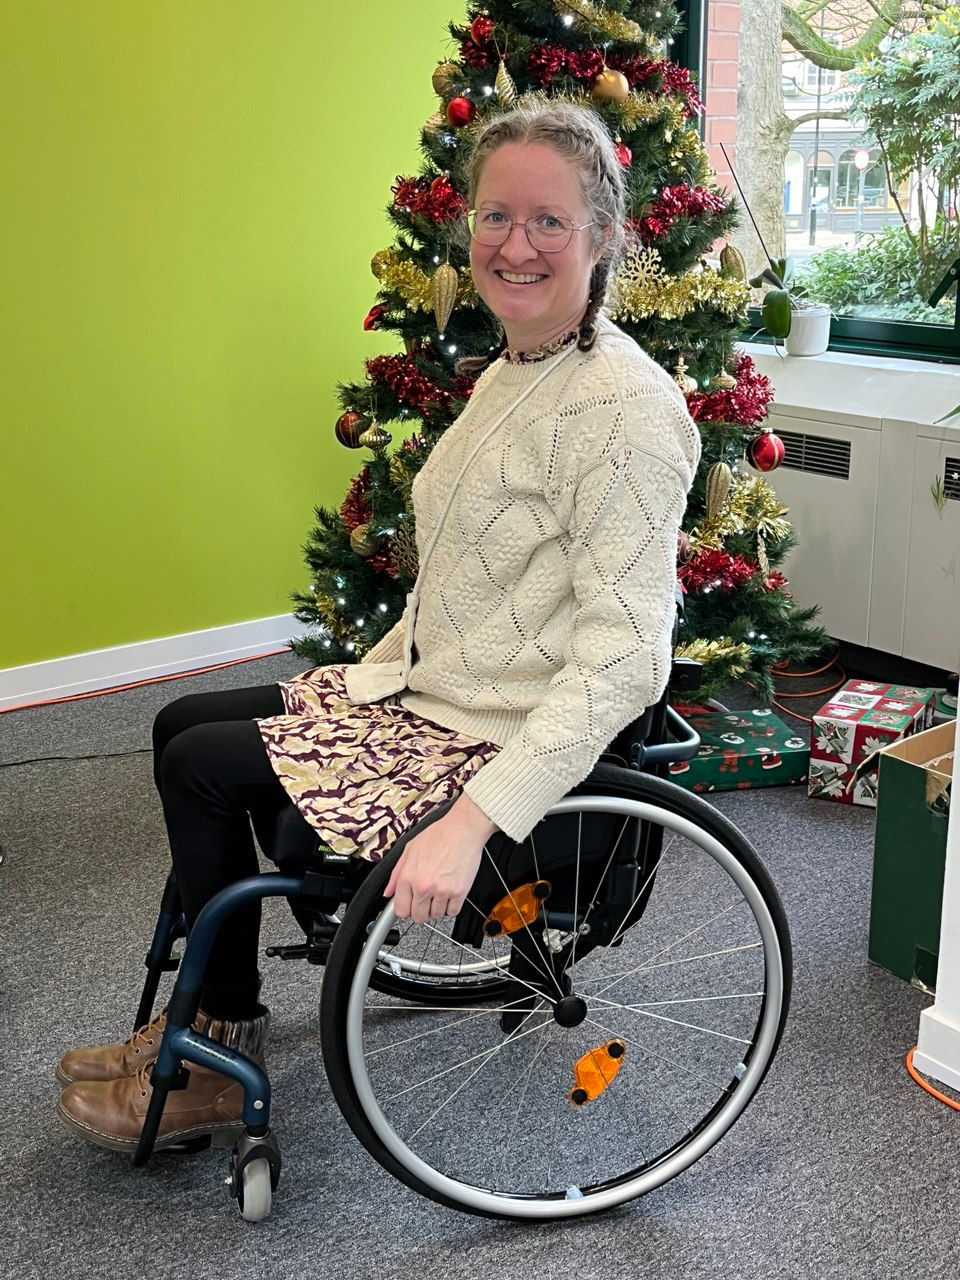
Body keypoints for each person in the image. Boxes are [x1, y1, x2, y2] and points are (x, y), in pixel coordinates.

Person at [56, 101, 701, 1153]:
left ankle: (215, 1037)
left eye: (548, 221)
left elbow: (629, 653)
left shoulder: (624, 408)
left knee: (206, 768)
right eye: (497, 216)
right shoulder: (515, 369)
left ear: (602, 237)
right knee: (181, 722)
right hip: (439, 692)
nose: (515, 245)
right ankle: (199, 1020)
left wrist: (473, 818)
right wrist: (366, 683)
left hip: (494, 741)